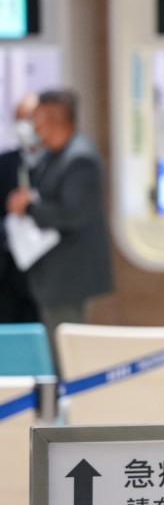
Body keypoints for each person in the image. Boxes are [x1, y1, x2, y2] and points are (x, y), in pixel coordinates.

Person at [5, 89, 113, 361]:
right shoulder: (54, 155)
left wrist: (29, 207)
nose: (33, 125)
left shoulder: (80, 158)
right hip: (51, 274)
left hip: (68, 275)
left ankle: (65, 401)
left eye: (36, 118)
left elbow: (74, 214)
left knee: (65, 352)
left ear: (53, 119)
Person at [0, 93, 41, 323]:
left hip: (45, 271)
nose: (25, 127)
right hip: (7, 270)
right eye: (19, 120)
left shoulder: (58, 164)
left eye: (30, 119)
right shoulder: (5, 163)